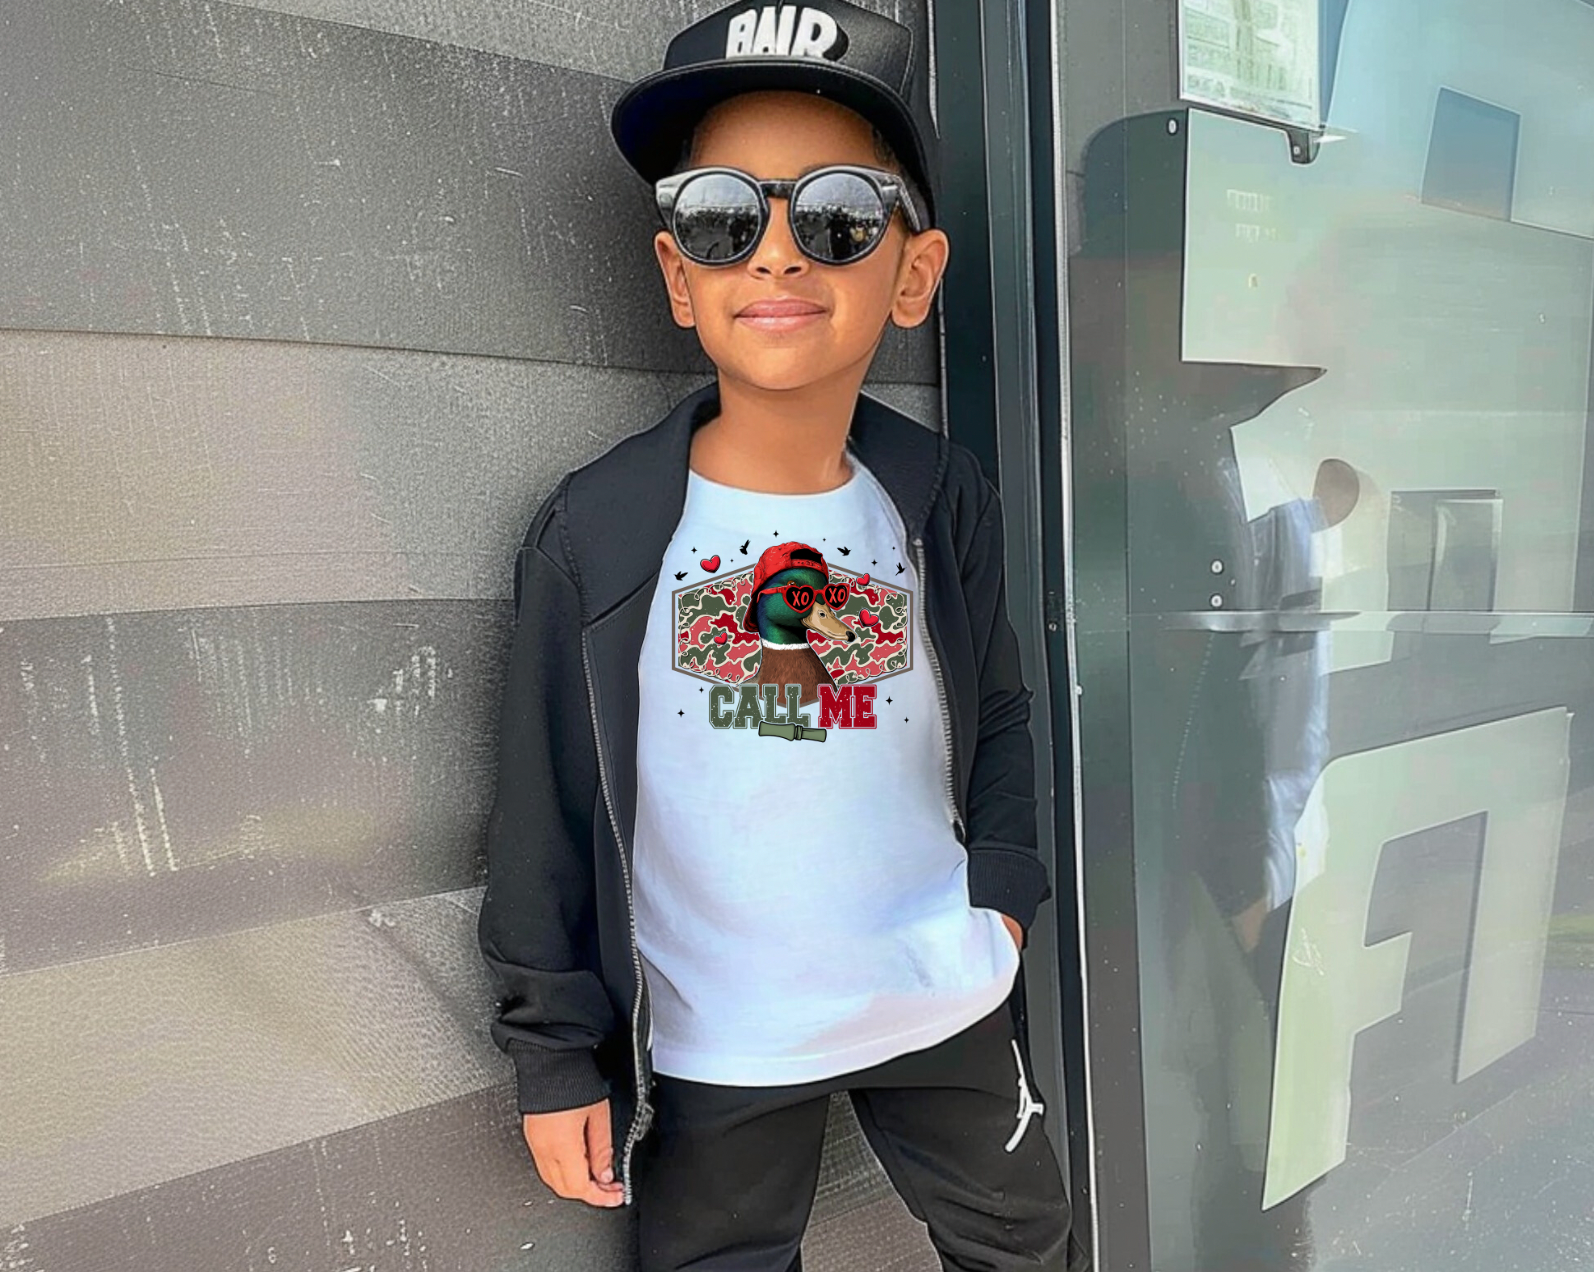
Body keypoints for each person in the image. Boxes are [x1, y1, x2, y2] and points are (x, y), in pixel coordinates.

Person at [476, 2, 1079, 1267]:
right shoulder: (597, 530)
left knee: (1026, 1244)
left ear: (912, 274)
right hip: (719, 1040)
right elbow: (542, 801)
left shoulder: (939, 494)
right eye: (722, 218)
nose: (776, 258)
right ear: (676, 274)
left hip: (945, 993)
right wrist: (553, 1051)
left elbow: (1000, 709)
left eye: (838, 216)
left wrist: (1003, 900)